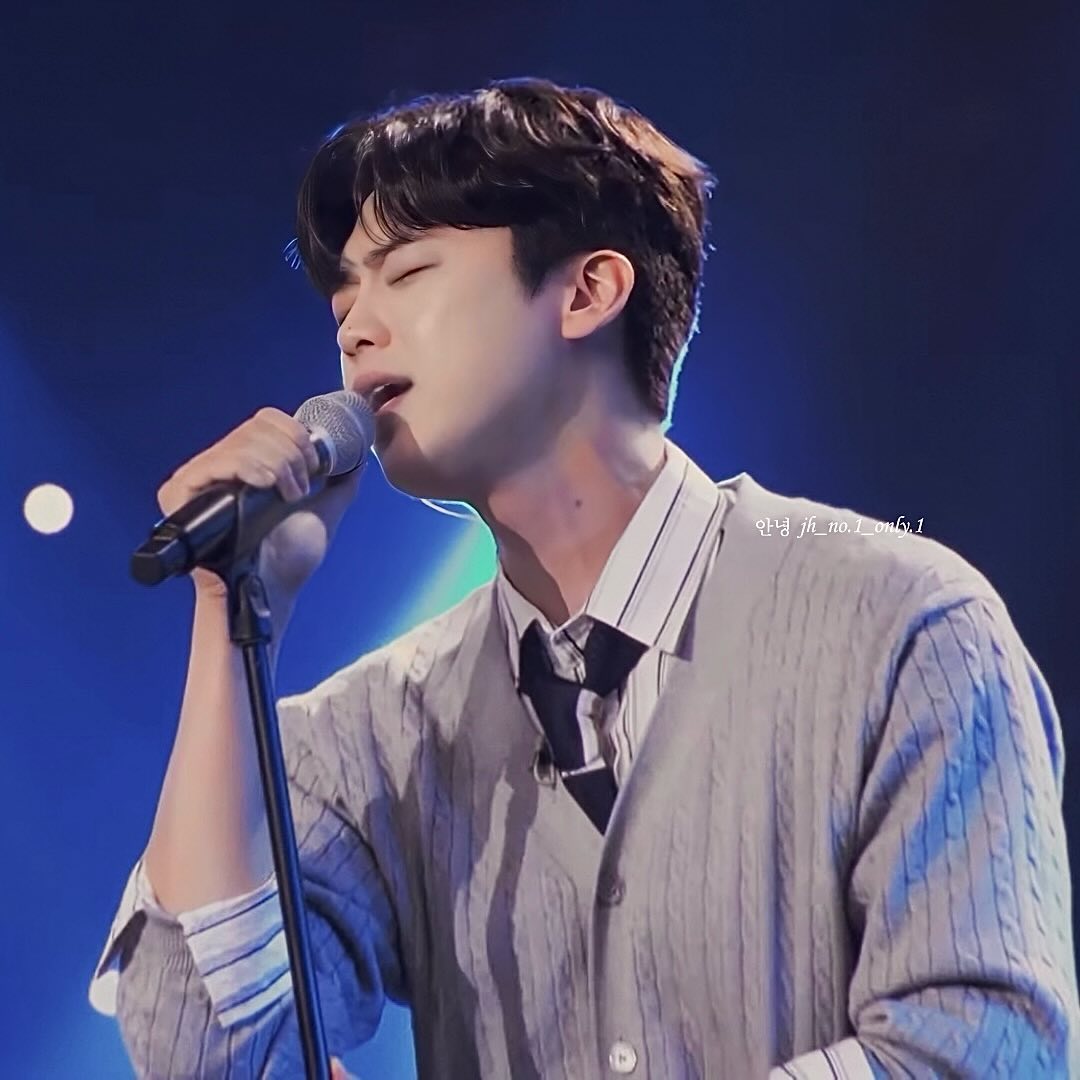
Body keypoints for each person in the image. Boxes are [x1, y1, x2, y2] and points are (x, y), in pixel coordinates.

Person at [89, 77, 1079, 1078]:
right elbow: (204, 1048)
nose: (352, 330)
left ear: (589, 290)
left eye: (408, 271)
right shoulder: (372, 730)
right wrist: (231, 613)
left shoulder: (901, 625)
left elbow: (983, 1046)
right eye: (343, 300)